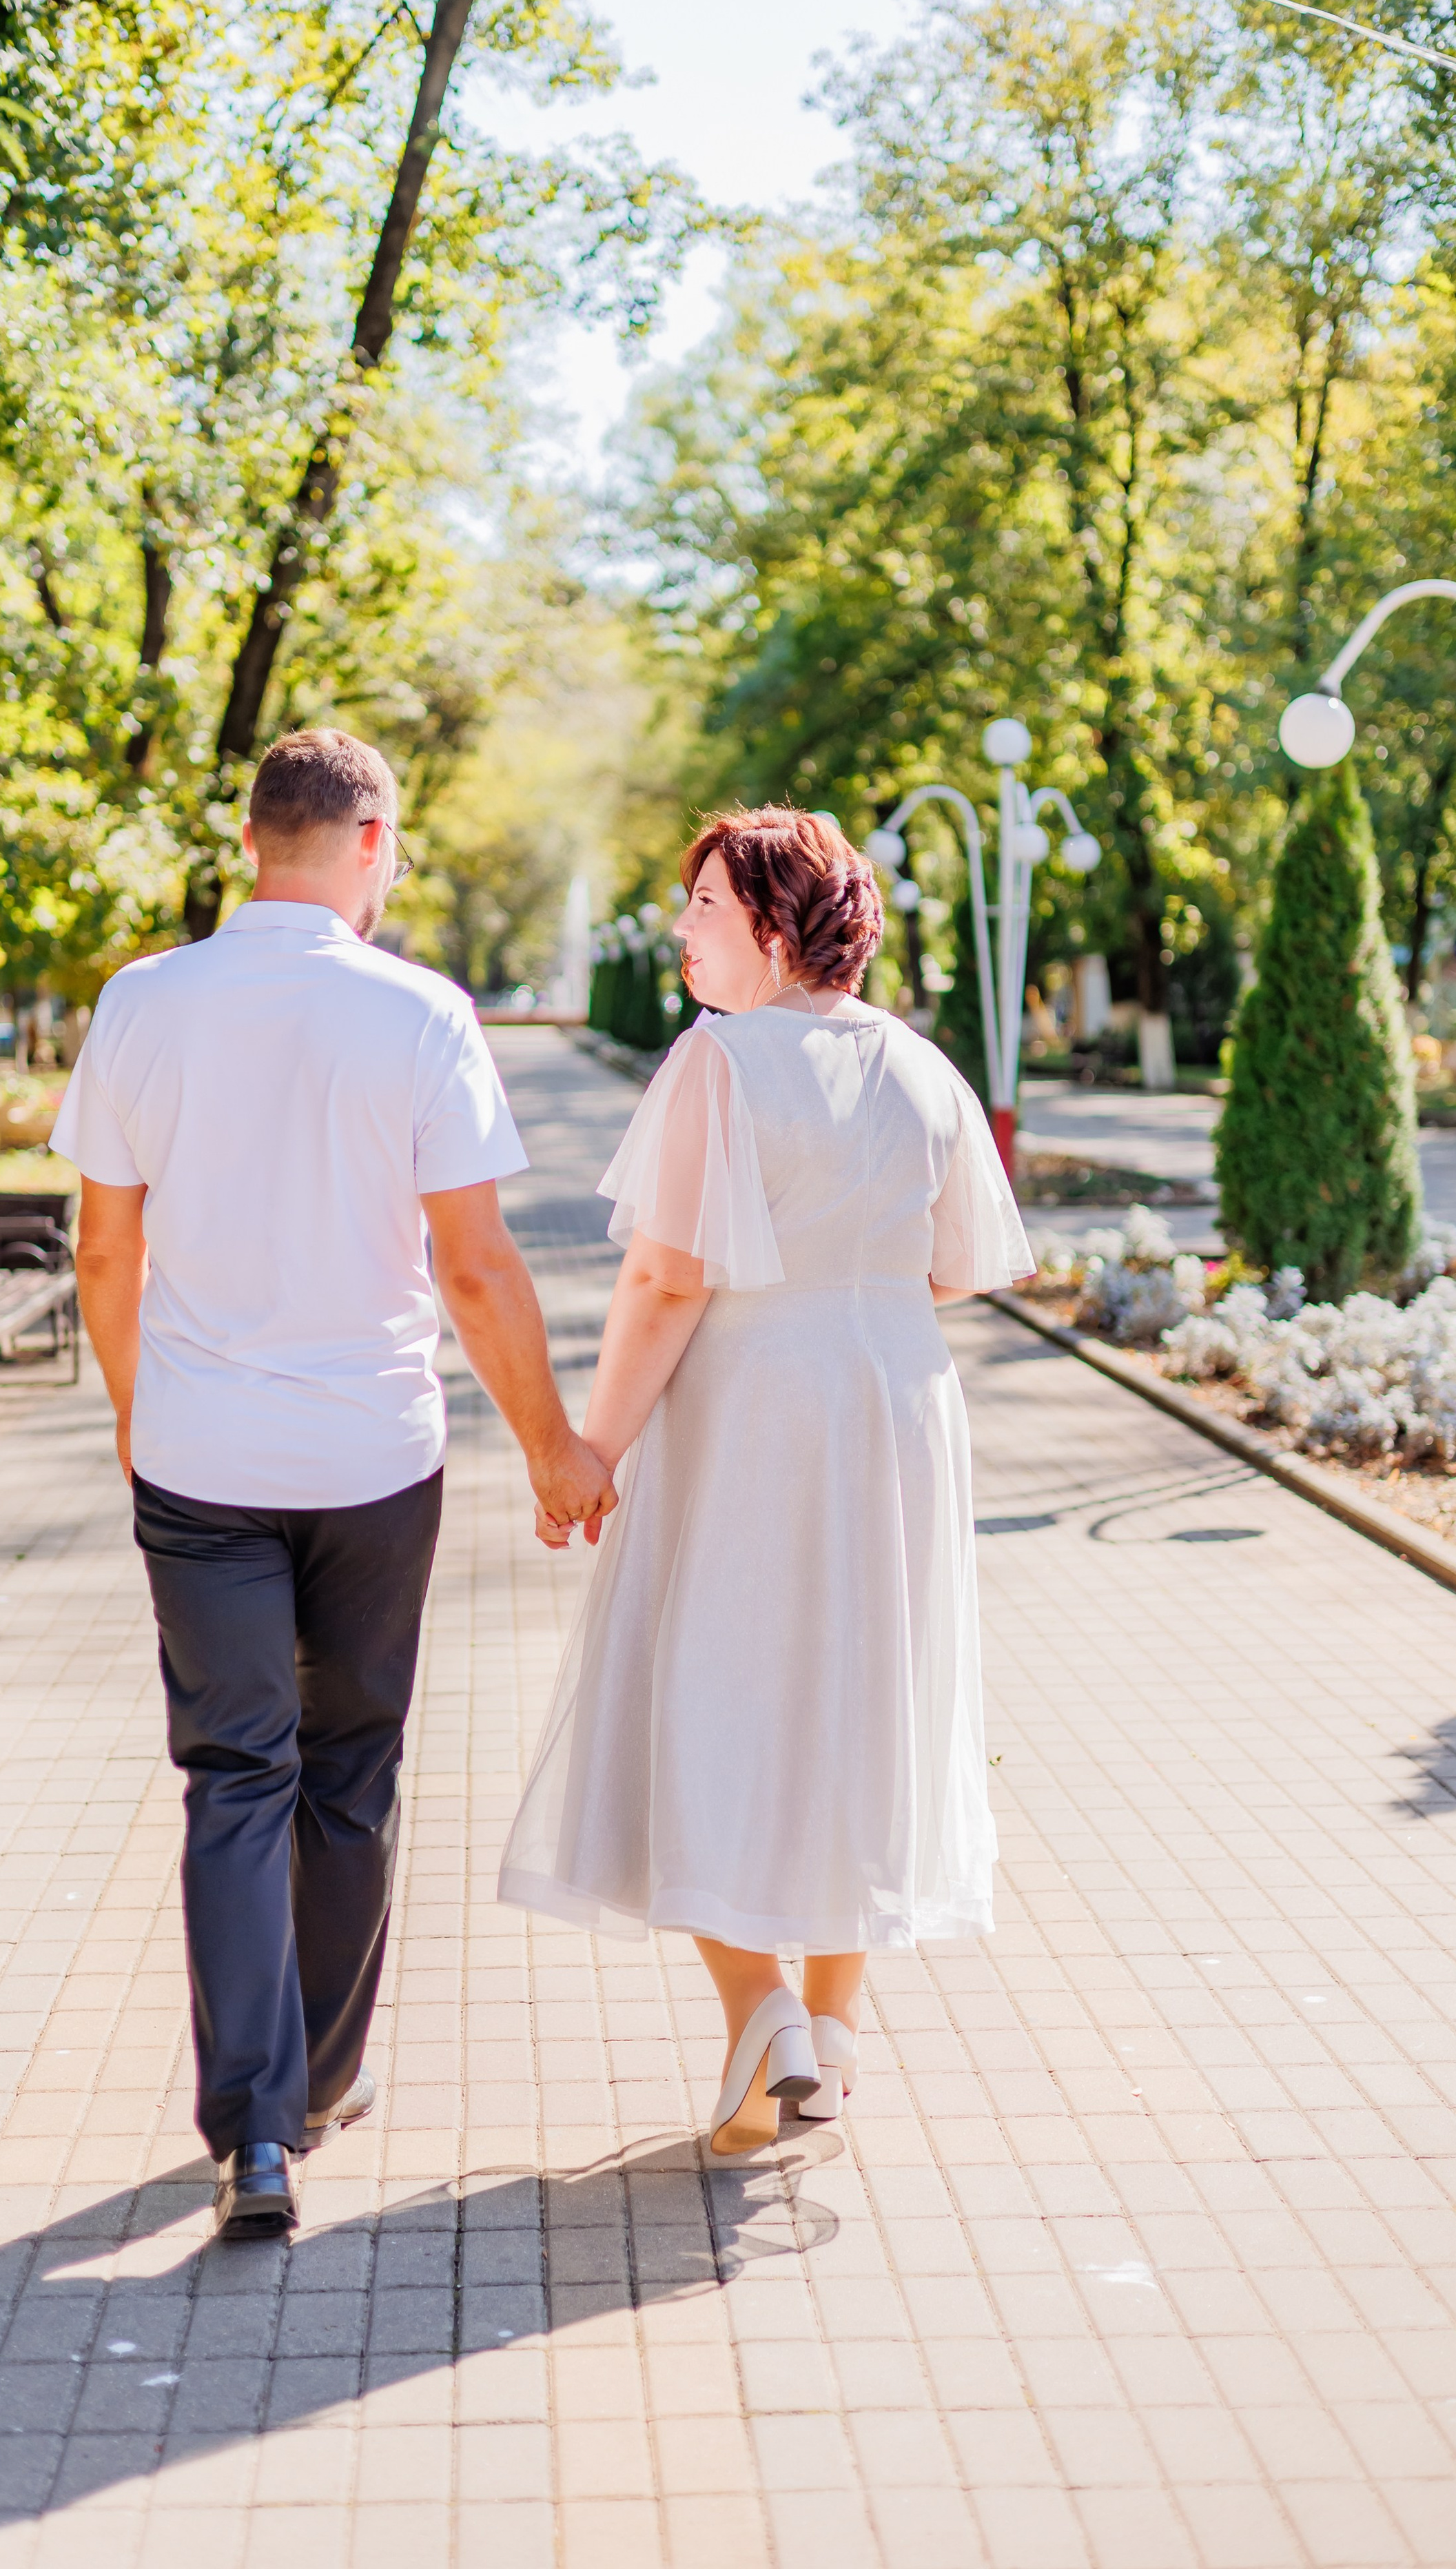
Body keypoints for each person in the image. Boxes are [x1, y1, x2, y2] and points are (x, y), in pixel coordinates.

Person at [53, 727, 615, 2237]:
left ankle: (251, 2131)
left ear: (255, 841)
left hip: (198, 1460)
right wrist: (555, 1448)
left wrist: (133, 1409)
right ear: (367, 843)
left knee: (234, 1777)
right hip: (374, 1456)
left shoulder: (143, 1004)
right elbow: (479, 1265)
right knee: (349, 1769)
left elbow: (104, 1250)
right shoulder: (421, 1015)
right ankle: (314, 2086)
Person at [499, 806, 1032, 2156]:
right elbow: (960, 1264)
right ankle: (829, 2036)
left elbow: (667, 1273)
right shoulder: (923, 1070)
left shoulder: (719, 1062)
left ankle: (764, 2014)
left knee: (710, 1692)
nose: (681, 933)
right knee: (865, 1698)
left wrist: (590, 1452)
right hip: (897, 1406)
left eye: (705, 911)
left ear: (778, 928)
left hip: (753, 1405)